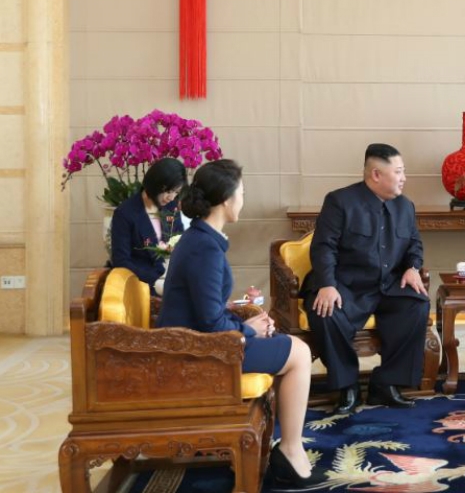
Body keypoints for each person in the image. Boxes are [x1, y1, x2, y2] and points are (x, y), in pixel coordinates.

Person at [157, 160, 322, 488]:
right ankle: (289, 451)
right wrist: (249, 329)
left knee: (291, 346)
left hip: (196, 342)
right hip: (198, 353)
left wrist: (246, 321)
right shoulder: (204, 247)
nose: (243, 200)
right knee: (300, 353)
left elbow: (208, 311)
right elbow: (210, 323)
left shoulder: (201, 239)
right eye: (242, 193)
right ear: (226, 199)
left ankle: (285, 447)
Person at [300, 143, 430, 414]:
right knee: (325, 312)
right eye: (398, 172)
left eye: (403, 171)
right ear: (376, 174)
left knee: (416, 305)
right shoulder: (340, 201)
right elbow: (323, 247)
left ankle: (387, 383)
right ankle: (347, 386)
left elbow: (414, 244)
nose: (404, 178)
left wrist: (412, 267)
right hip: (346, 284)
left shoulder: (405, 206)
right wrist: (327, 284)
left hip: (388, 285)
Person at [110, 157, 187, 295]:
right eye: (168, 191)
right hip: (142, 285)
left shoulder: (171, 206)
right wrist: (155, 282)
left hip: (172, 279)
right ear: (155, 183)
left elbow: (179, 239)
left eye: (176, 192)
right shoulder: (125, 213)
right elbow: (121, 261)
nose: (171, 197)